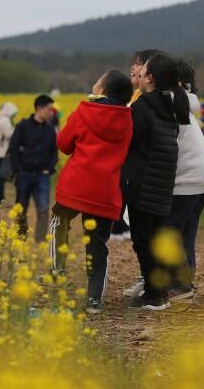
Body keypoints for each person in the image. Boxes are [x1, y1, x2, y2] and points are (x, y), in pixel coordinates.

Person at [48, 70, 134, 314]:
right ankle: (94, 299)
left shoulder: (85, 110)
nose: (94, 83)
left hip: (76, 185)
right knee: (97, 243)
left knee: (59, 220)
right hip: (105, 191)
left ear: (102, 91)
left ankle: (57, 271)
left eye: (97, 82)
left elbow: (63, 144)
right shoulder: (128, 119)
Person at [120, 52, 189, 311]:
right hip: (161, 184)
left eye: (142, 71)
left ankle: (153, 295)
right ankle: (159, 292)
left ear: (149, 78)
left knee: (142, 241)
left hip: (143, 185)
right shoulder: (169, 106)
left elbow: (129, 140)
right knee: (156, 240)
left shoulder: (143, 106)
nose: (136, 75)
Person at [165, 59, 204, 302]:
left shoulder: (172, 104)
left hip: (188, 178)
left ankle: (179, 285)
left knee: (170, 232)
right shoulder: (188, 103)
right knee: (186, 233)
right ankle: (185, 283)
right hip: (203, 177)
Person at [110, 49, 161, 242]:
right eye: (133, 63)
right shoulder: (136, 96)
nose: (133, 67)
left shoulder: (145, 101)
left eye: (139, 63)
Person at [8, 94, 59, 241]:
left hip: (42, 176)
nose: (51, 113)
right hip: (24, 174)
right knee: (21, 209)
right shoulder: (23, 126)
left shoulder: (50, 129)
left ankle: (40, 241)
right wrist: (18, 169)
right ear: (39, 108)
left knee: (43, 210)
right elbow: (13, 148)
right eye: (49, 110)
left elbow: (53, 152)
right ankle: (21, 239)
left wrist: (49, 169)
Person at [0, 102, 19, 204]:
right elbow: (10, 135)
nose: (14, 115)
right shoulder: (5, 120)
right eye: (13, 113)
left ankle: (0, 199)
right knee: (0, 178)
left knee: (0, 178)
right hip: (1, 153)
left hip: (0, 152)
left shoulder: (2, 119)